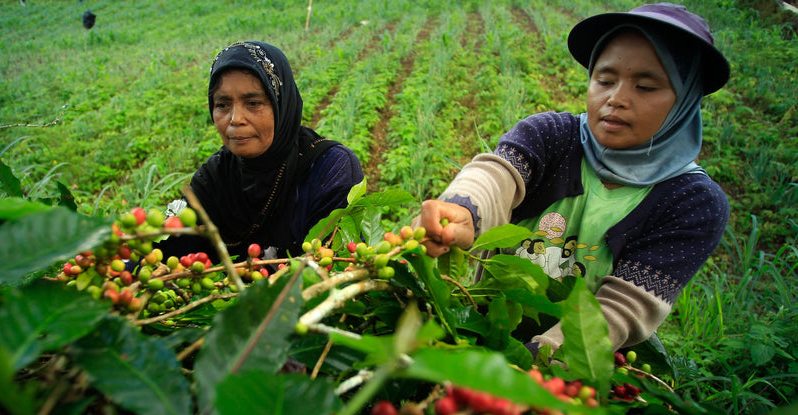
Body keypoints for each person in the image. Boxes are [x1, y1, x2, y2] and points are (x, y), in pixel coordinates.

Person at [415, 3, 731, 355]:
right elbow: (494, 175)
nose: (616, 99)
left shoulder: (693, 202)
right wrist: (461, 210)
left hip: (574, 360)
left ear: (685, 101)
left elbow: (622, 308)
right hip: (485, 322)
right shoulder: (552, 137)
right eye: (605, 80)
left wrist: (541, 359)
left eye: (645, 87)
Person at [158, 41, 363, 261]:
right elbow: (163, 252)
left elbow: (331, 271)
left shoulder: (328, 169)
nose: (236, 119)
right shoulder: (215, 177)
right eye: (223, 105)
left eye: (253, 103)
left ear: (281, 104)